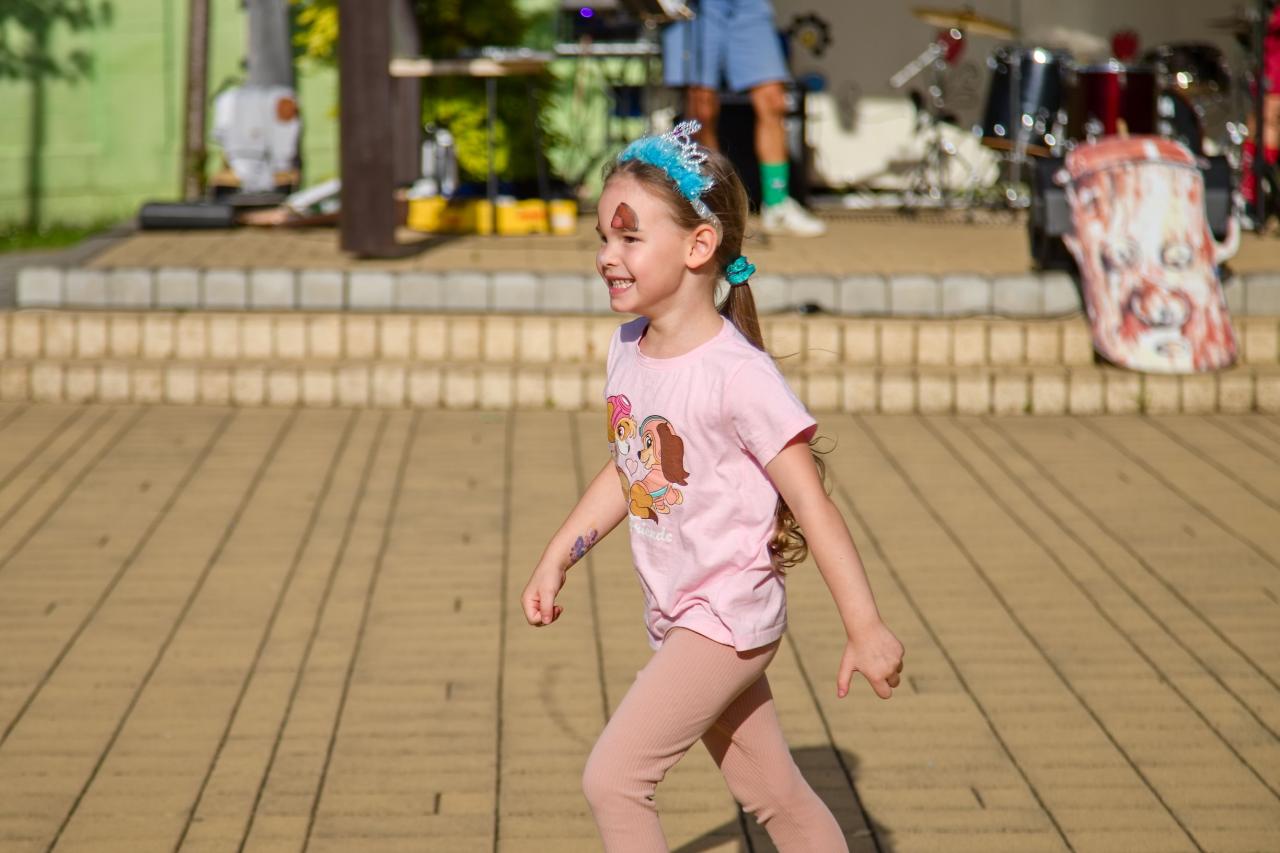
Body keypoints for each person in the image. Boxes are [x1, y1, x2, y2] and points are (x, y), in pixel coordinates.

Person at [519, 121, 904, 851]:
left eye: (630, 237)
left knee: (614, 779)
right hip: (678, 612)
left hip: (723, 619)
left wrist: (866, 626)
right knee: (777, 796)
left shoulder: (738, 375)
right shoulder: (628, 347)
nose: (607, 256)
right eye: (602, 237)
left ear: (700, 246)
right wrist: (558, 554)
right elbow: (631, 468)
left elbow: (812, 504)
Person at [662, 0, 826, 237]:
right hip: (699, 8)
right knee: (701, 107)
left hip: (747, 6)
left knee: (774, 100)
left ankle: (777, 202)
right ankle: (711, 202)